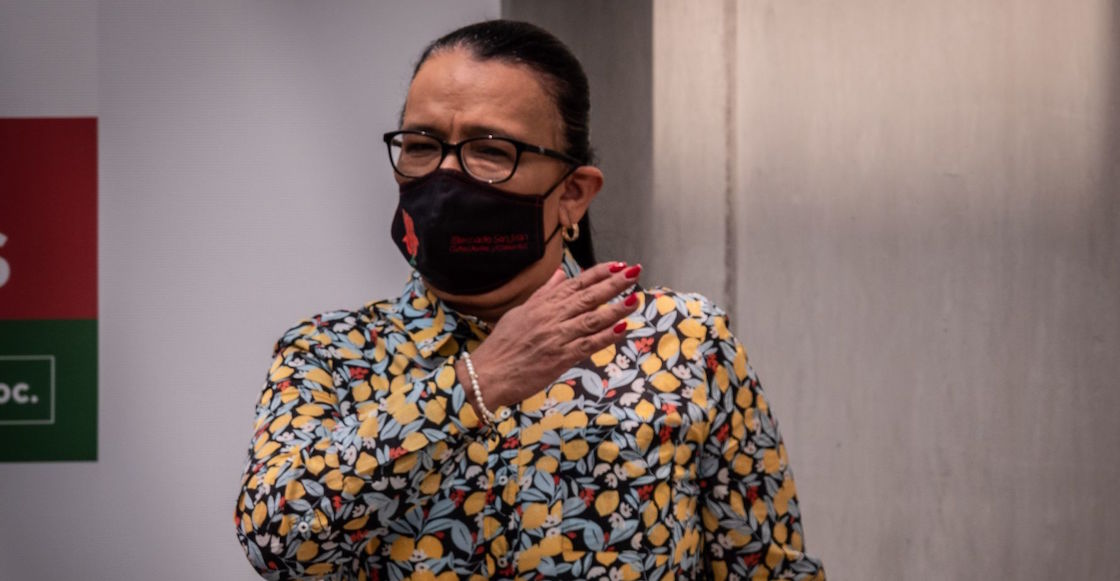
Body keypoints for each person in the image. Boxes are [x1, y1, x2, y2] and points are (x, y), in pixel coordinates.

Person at [234, 20, 825, 581]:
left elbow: (769, 568)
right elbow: (277, 544)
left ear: (572, 195)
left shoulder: (681, 344)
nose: (444, 174)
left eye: (491, 151)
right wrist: (475, 384)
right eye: (421, 144)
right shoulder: (332, 355)